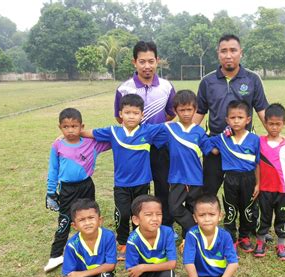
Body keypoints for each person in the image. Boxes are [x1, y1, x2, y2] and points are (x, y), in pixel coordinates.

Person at [81, 94, 166, 260]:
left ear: (142, 115)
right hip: (121, 184)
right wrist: (73, 134)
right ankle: (122, 242)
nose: (131, 116)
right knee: (123, 213)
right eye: (128, 112)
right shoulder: (113, 132)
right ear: (121, 114)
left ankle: (138, 240)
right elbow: (90, 133)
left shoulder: (148, 131)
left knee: (140, 213)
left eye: (135, 113)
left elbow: (170, 128)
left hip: (142, 182)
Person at [193, 34, 268, 195]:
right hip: (216, 145)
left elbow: (262, 109)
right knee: (208, 190)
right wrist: (186, 136)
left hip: (244, 146)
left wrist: (275, 137)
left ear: (241, 52)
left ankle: (246, 219)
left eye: (233, 50)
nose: (228, 55)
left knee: (246, 190)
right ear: (218, 54)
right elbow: (199, 111)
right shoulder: (207, 81)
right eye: (224, 51)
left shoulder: (252, 79)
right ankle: (207, 218)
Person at [114, 40, 175, 228]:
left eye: (151, 61)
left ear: (157, 61)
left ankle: (165, 225)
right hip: (134, 148)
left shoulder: (166, 87)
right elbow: (119, 117)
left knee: (163, 186)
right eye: (142, 61)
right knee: (136, 187)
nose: (147, 66)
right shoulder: (124, 89)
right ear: (134, 62)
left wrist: (154, 132)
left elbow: (171, 114)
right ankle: (139, 222)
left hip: (160, 147)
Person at [44, 108, 110, 272]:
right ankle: (56, 254)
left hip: (86, 186)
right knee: (65, 219)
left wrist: (88, 134)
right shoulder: (58, 145)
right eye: (66, 127)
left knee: (90, 217)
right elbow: (53, 169)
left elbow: (114, 137)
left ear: (82, 126)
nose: (70, 130)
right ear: (60, 127)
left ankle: (95, 249)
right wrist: (51, 191)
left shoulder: (91, 143)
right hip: (67, 189)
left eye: (74, 126)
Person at [208, 100, 260, 252]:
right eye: (232, 118)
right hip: (230, 178)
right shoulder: (222, 138)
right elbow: (206, 143)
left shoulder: (254, 139)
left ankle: (244, 236)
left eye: (240, 117)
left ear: (248, 120)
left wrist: (258, 184)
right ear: (227, 120)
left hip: (249, 179)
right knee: (230, 209)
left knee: (247, 209)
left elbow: (258, 164)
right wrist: (214, 150)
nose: (236, 121)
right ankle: (230, 238)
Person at [182, 194, 243, 277]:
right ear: (195, 217)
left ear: (220, 216)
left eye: (211, 214)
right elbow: (189, 263)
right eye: (202, 215)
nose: (207, 219)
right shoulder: (192, 235)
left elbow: (233, 264)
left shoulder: (225, 236)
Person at [163, 89, 212, 241]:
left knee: (193, 207)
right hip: (176, 177)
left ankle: (187, 238)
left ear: (195, 109)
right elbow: (147, 134)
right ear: (175, 110)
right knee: (174, 207)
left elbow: (212, 150)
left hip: (195, 178)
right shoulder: (169, 129)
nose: (185, 113)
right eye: (181, 110)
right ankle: (195, 230)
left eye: (189, 109)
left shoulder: (199, 132)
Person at [255, 103, 285, 261]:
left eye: (278, 124)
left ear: (283, 124)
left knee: (282, 217)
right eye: (271, 124)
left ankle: (281, 243)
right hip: (265, 189)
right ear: (265, 123)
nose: (274, 127)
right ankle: (260, 242)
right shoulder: (259, 142)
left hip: (283, 190)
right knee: (264, 216)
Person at [125, 195, 177, 277]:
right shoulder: (132, 241)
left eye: (158, 214)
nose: (155, 219)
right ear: (136, 220)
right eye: (148, 215)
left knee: (168, 276)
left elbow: (172, 264)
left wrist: (143, 267)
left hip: (160, 272)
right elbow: (133, 273)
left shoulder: (167, 232)